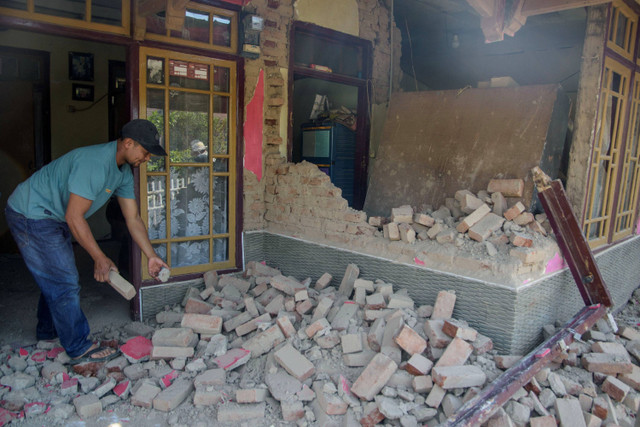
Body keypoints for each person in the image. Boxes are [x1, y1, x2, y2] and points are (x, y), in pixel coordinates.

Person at [5, 119, 170, 365]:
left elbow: (133, 218)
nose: (147, 158)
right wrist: (99, 257)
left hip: (53, 215)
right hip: (32, 213)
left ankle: (47, 333)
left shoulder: (123, 172)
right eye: (146, 152)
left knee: (55, 274)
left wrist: (151, 255)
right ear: (128, 143)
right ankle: (79, 347)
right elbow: (74, 217)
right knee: (65, 279)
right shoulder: (94, 164)